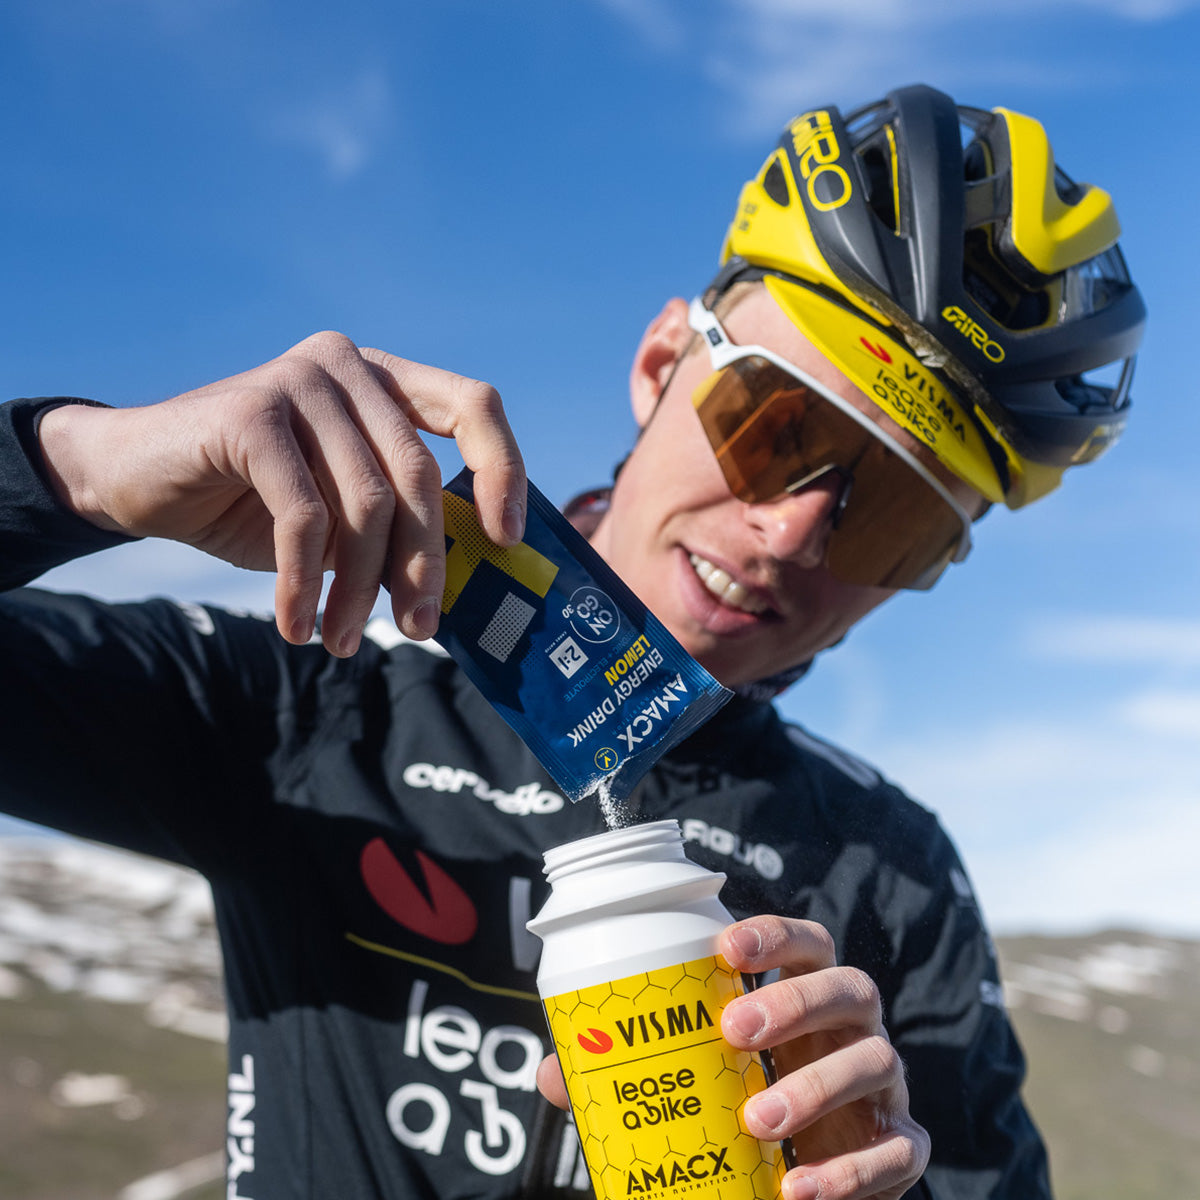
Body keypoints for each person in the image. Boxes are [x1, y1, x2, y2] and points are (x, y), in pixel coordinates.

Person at [0, 84, 1144, 1200]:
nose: (795, 531)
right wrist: (73, 472)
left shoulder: (892, 871)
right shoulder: (319, 705)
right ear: (659, 366)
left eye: (898, 519)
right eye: (774, 426)